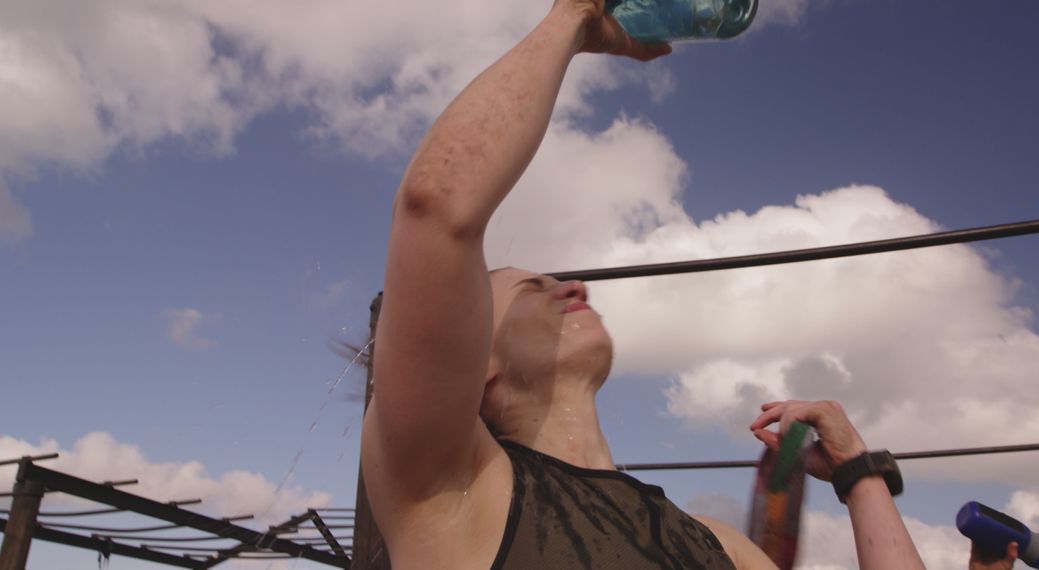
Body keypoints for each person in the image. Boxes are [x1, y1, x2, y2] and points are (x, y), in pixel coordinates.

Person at [361, 0, 927, 568]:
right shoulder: (452, 488)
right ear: (476, 362)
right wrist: (572, 17)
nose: (575, 287)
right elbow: (437, 203)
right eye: (533, 290)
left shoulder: (717, 543)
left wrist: (857, 472)